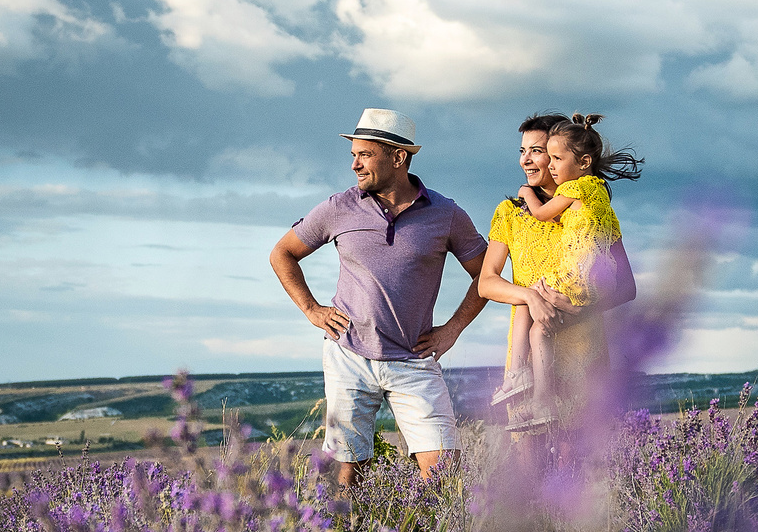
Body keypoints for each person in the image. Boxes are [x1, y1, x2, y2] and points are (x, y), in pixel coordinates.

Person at [268, 108, 492, 485]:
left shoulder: (447, 214)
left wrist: (452, 329)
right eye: (353, 155)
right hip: (348, 355)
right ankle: (351, 527)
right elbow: (282, 253)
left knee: (443, 472)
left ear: (398, 157)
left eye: (365, 155)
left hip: (414, 359)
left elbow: (486, 275)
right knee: (347, 471)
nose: (354, 164)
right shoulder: (339, 207)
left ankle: (430, 527)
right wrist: (311, 309)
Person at [478, 112, 641, 434]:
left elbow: (627, 287)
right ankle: (521, 380)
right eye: (522, 151)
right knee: (527, 460)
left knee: (582, 458)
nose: (526, 160)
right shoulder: (510, 213)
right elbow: (486, 283)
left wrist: (579, 311)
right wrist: (531, 297)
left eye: (537, 151)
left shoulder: (592, 209)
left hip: (583, 355)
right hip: (527, 362)